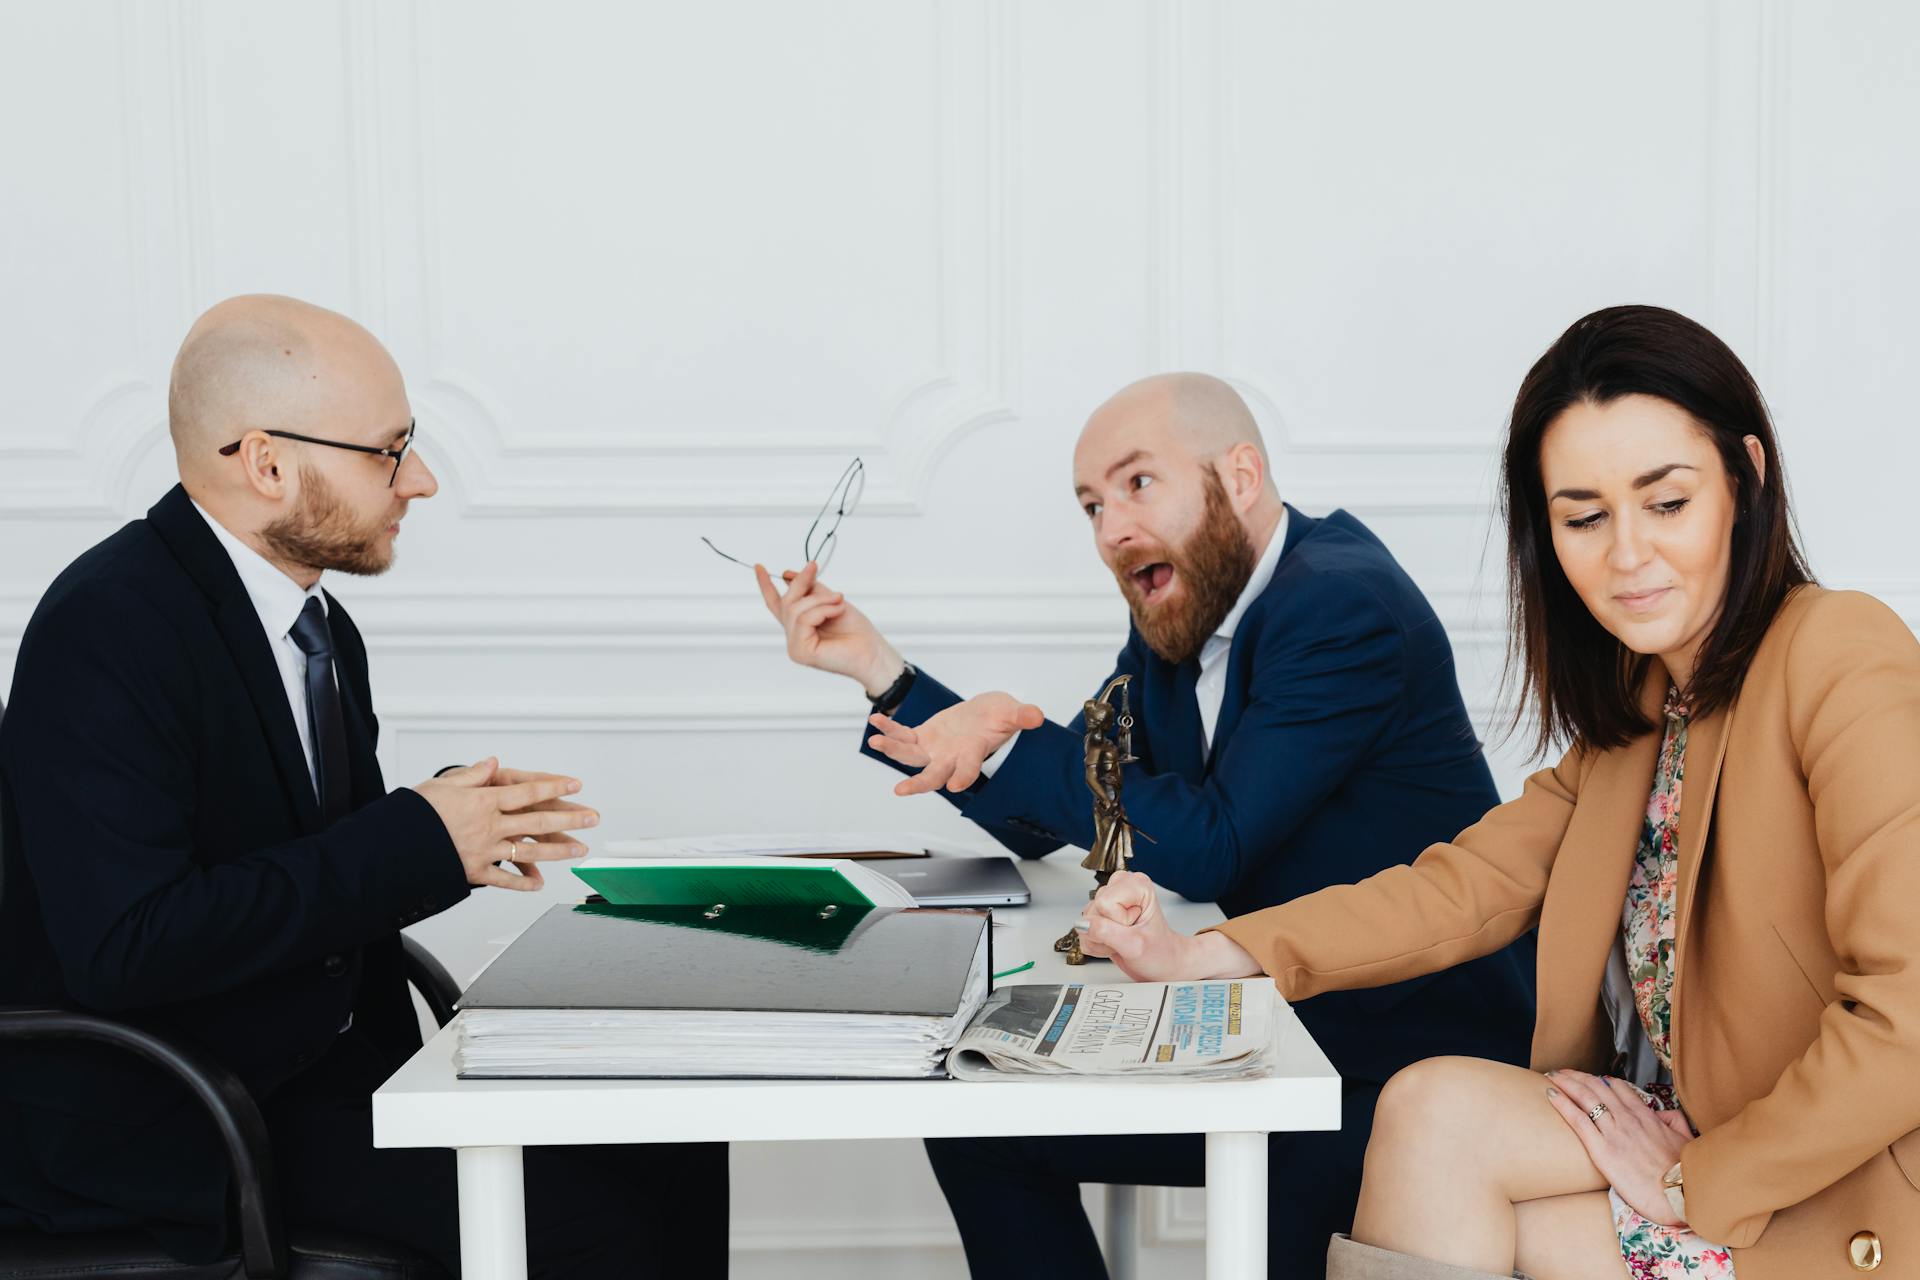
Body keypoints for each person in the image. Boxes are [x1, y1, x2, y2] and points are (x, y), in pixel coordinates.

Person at [1078, 305, 1920, 1280]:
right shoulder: (1648, 710)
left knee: (1470, 1207)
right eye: (1585, 516)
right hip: (1693, 1131)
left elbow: (1909, 1012)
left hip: (1835, 1183)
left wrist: (1699, 1177)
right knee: (1431, 1108)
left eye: (1668, 502)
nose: (1629, 554)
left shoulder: (1841, 652)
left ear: (1747, 479)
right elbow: (1460, 886)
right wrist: (1200, 953)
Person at [0, 296, 727, 1277]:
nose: (419, 480)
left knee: (675, 1141)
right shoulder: (110, 625)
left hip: (319, 1071)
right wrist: (415, 839)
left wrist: (449, 829)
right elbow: (127, 947)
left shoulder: (318, 627)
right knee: (601, 1220)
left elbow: (309, 867)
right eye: (388, 452)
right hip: (172, 1111)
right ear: (266, 463)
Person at [757, 372, 1537, 1279]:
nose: (1110, 529)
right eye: (1090, 505)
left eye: (1136, 484)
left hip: (1396, 1058)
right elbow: (1085, 813)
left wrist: (1022, 741)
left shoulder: (1342, 607)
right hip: (1280, 1022)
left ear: (1240, 476)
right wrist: (886, 675)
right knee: (984, 1127)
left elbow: (1209, 844)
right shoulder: (1181, 610)